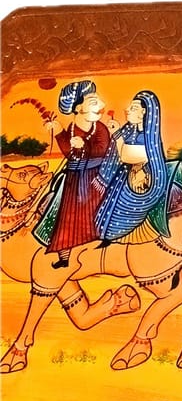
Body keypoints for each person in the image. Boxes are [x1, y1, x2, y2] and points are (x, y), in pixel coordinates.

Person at [94, 90, 182, 244]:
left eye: (133, 108)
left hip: (140, 186)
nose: (127, 110)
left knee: (116, 218)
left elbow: (126, 156)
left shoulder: (147, 137)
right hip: (126, 179)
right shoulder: (131, 131)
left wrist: (117, 135)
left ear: (144, 113)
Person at [33, 80, 110, 267]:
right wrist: (59, 132)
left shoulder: (99, 128)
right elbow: (70, 153)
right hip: (74, 180)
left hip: (96, 177)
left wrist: (86, 145)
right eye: (93, 102)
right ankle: (64, 257)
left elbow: (103, 149)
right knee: (67, 219)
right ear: (78, 108)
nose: (101, 105)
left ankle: (100, 253)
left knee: (96, 215)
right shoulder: (73, 128)